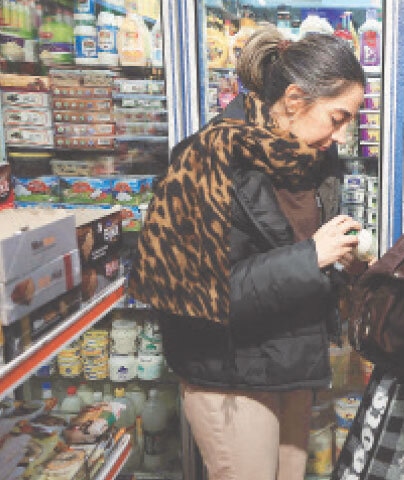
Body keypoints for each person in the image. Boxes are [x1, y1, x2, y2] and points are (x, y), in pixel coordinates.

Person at [128, 25, 366, 480]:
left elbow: (296, 259)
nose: (341, 135)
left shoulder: (313, 161)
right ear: (295, 100)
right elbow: (200, 297)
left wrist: (338, 263)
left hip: (291, 364)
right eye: (337, 118)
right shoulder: (205, 161)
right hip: (229, 374)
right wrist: (310, 257)